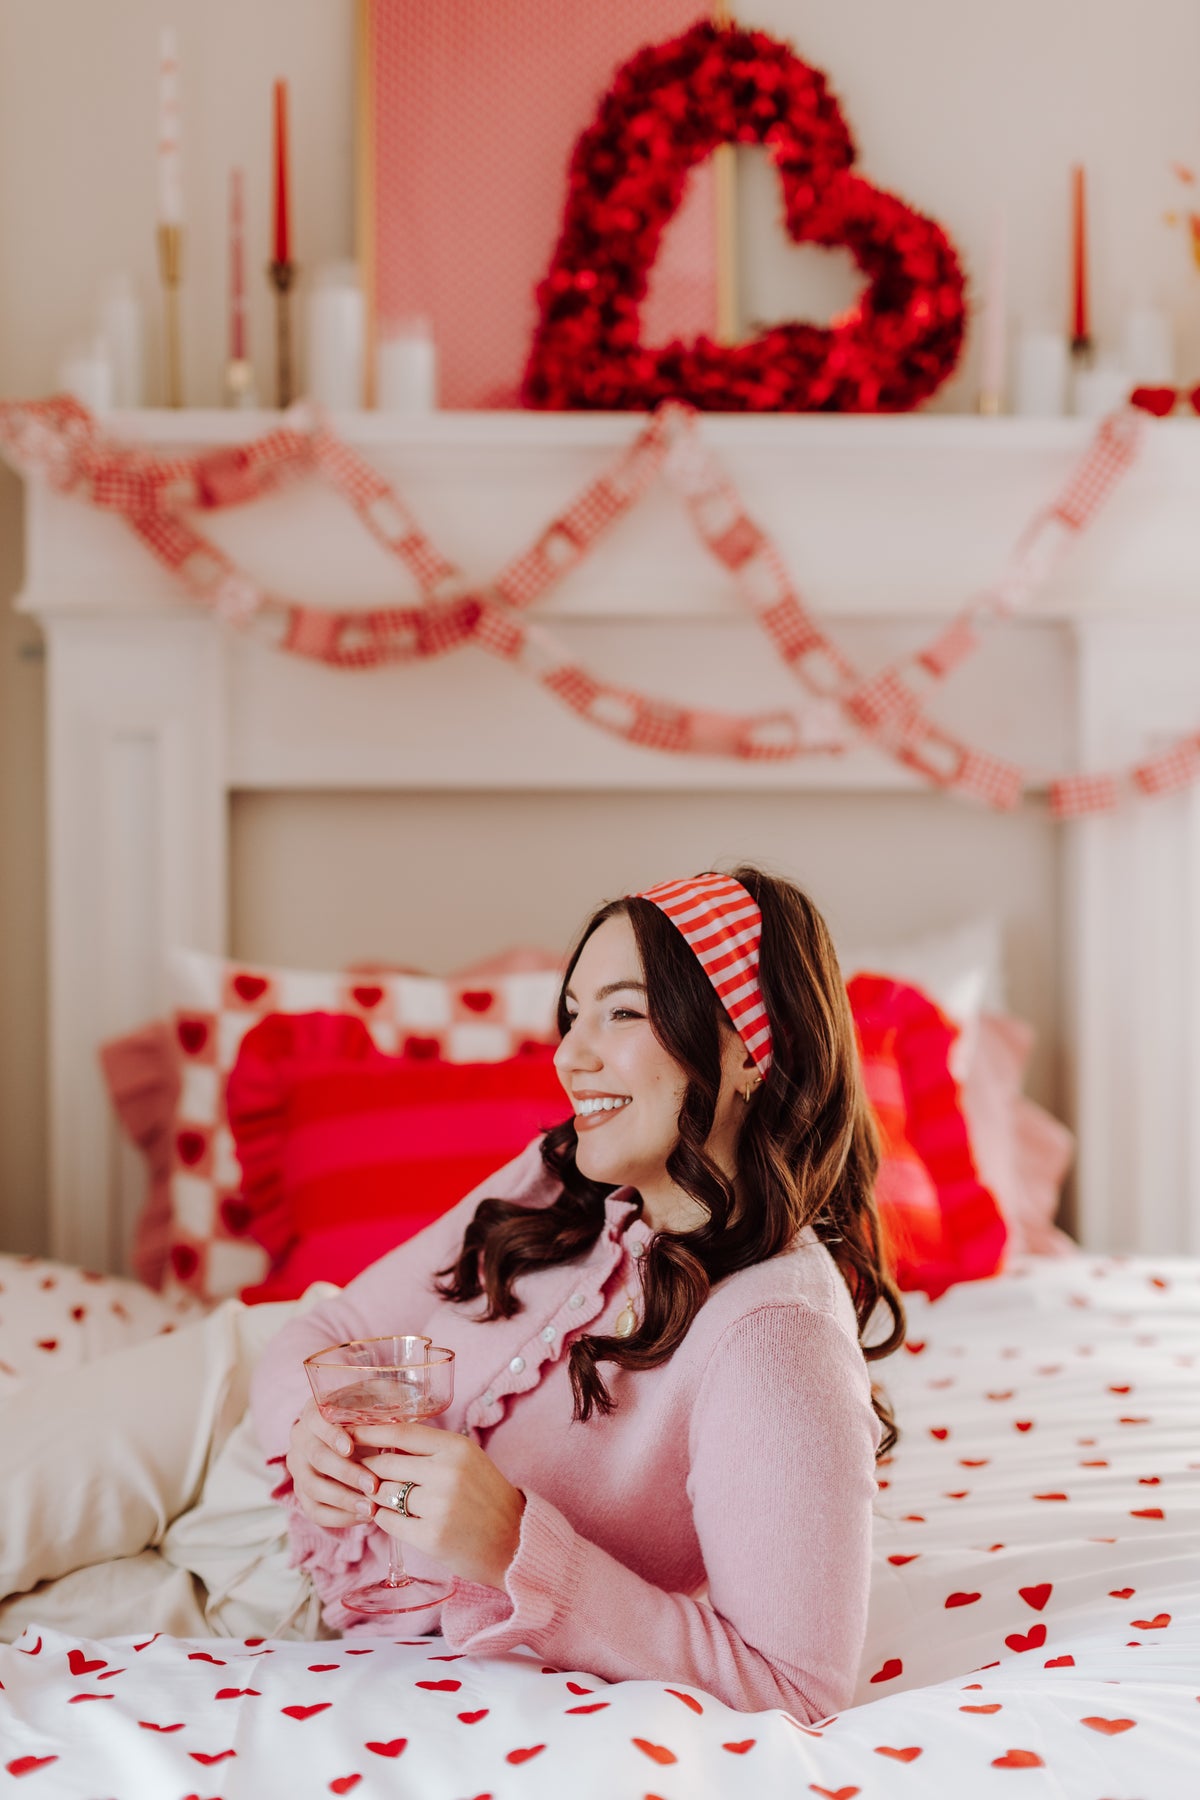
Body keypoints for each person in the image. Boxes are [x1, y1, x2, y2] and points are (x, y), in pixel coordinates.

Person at [250, 867, 906, 1720]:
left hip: (292, 1589)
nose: (568, 1055)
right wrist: (310, 1433)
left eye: (623, 1013)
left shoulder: (774, 1334)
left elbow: (793, 1687)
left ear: (753, 1046)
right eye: (572, 1015)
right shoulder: (559, 1176)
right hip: (232, 1437)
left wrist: (512, 1546)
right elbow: (334, 1325)